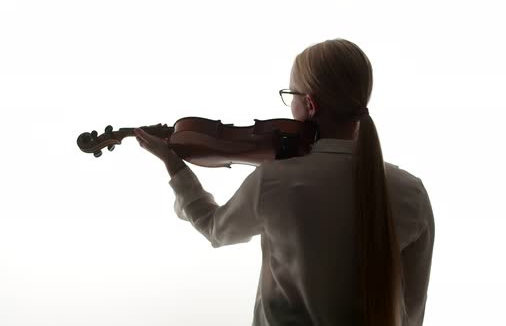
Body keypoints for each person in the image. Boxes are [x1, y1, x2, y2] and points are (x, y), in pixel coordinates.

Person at [134, 38, 435, 326]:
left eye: (291, 96)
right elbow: (412, 307)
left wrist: (174, 165)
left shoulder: (274, 181)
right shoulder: (412, 192)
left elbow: (215, 229)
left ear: (310, 105)